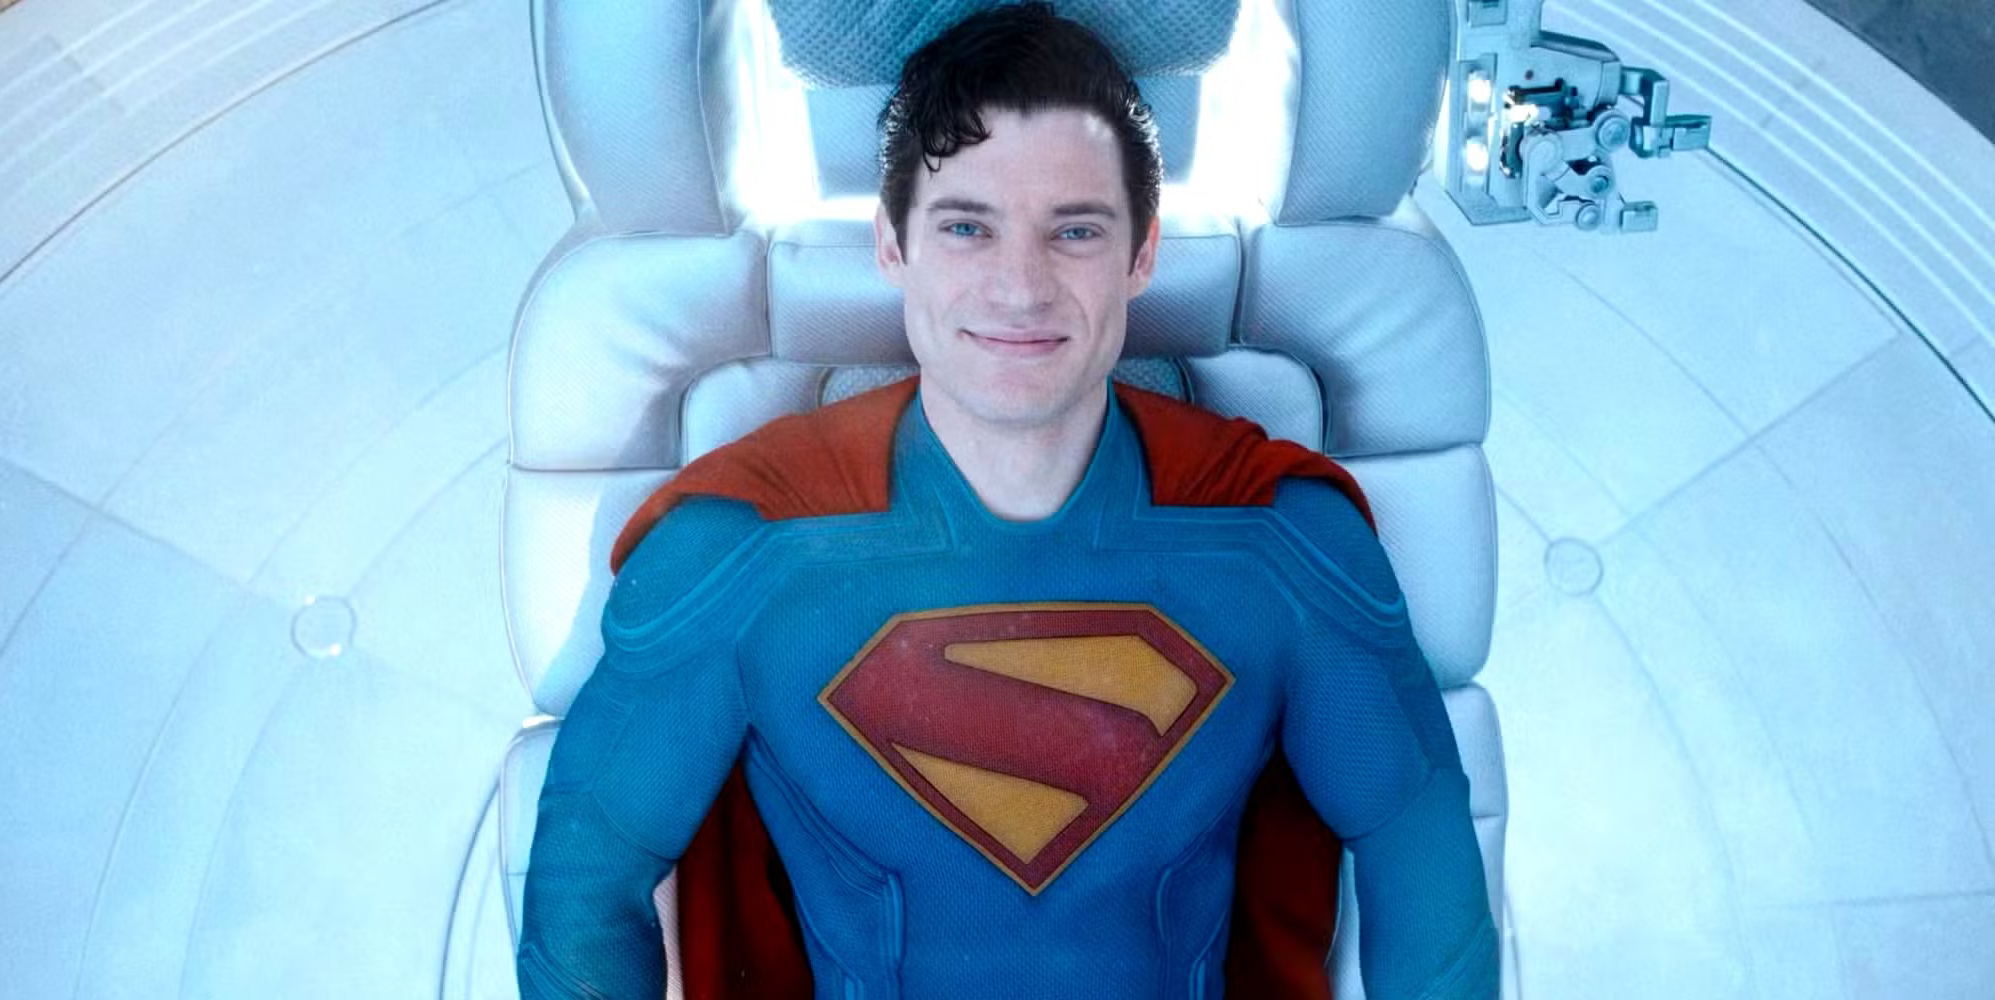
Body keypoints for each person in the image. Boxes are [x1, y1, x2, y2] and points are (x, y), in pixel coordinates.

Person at [518, 4, 1497, 998]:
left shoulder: (1280, 539)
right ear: (892, 244)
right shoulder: (740, 548)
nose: (1019, 287)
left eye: (1074, 230)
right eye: (965, 228)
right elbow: (585, 878)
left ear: (1141, 252)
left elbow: (1418, 852)